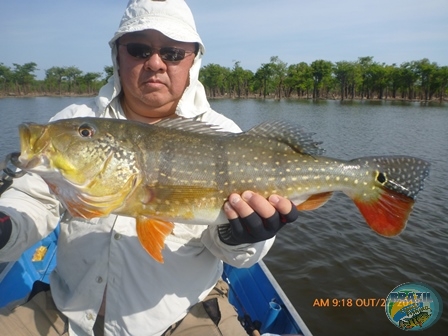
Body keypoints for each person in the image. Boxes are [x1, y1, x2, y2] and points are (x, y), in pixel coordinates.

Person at [0, 1, 298, 335]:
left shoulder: (225, 135)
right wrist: (7, 224)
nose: (155, 63)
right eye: (139, 49)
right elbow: (32, 199)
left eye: (172, 53)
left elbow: (239, 257)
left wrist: (240, 235)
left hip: (184, 315)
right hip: (65, 309)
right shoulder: (75, 122)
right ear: (117, 55)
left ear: (192, 60)